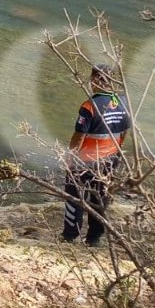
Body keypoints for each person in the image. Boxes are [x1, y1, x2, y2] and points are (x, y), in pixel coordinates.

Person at [62, 64, 131, 247]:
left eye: (92, 79)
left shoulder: (89, 106)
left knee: (74, 196)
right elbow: (124, 133)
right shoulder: (124, 102)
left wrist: (70, 159)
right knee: (100, 198)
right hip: (110, 160)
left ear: (95, 80)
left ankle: (70, 236)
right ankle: (94, 238)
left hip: (84, 161)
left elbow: (79, 137)